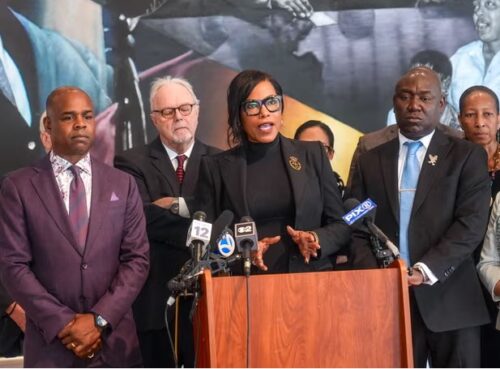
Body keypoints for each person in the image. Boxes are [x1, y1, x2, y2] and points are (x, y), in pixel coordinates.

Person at [349, 66, 490, 367]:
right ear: (394, 102)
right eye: (406, 97)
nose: (414, 106)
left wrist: (426, 269)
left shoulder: (466, 156)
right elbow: (356, 221)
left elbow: (471, 224)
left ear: (441, 105)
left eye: (425, 98)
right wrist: (378, 274)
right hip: (387, 300)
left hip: (451, 301)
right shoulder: (371, 159)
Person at [0, 86, 149, 367]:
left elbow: (137, 259)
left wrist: (99, 319)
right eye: (69, 117)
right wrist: (65, 324)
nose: (80, 124)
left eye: (87, 116)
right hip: (51, 347)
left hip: (115, 345)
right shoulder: (18, 187)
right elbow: (13, 266)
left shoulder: (123, 184)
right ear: (48, 125)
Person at [196, 69, 351, 274]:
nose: (264, 112)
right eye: (252, 106)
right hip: (245, 286)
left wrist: (315, 238)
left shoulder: (312, 154)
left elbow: (341, 225)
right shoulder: (216, 167)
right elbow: (205, 240)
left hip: (308, 282)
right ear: (238, 115)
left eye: (272, 102)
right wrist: (242, 251)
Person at [114, 76, 220, 367]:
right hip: (156, 302)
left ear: (197, 111)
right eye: (167, 111)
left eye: (185, 108)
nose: (178, 117)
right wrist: (202, 223)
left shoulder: (223, 161)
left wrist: (176, 205)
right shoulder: (130, 162)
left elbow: (224, 216)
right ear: (154, 119)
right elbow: (142, 217)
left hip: (210, 299)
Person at [0, 112, 52, 359]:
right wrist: (15, 309)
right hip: (17, 331)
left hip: (84, 330)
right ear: (45, 137)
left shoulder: (110, 186)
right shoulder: (12, 186)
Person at [459, 85, 500, 368]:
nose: (480, 122)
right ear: (460, 119)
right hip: (460, 277)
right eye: (471, 115)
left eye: (487, 114)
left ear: (499, 119)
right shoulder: (449, 164)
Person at [294, 120, 349, 270]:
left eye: (320, 149)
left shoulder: (346, 193)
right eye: (304, 148)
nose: (312, 154)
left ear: (331, 154)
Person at [448, 0, 500, 115]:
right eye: (476, 6)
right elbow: (442, 107)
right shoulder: (462, 57)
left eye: (490, 4)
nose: (479, 12)